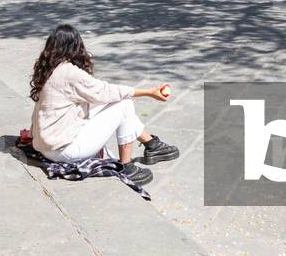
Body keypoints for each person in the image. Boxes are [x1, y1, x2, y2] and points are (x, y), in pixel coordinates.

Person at [29, 24, 179, 187]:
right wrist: (150, 92)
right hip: (64, 151)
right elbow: (106, 91)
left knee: (111, 102)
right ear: (76, 46)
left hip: (46, 146)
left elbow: (99, 96)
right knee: (124, 104)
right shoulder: (69, 72)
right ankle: (126, 167)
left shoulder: (50, 69)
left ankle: (152, 145)